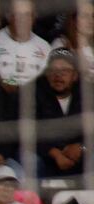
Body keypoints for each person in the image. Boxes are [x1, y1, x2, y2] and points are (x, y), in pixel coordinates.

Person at [32, 48, 85, 179]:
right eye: (53, 70)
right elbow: (29, 134)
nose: (58, 75)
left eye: (65, 71)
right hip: (46, 156)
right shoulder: (34, 92)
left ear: (75, 75)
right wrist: (55, 153)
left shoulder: (87, 94)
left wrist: (82, 147)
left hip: (80, 156)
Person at [0, 0, 50, 87]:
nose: (23, 20)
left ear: (34, 18)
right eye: (18, 15)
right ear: (9, 16)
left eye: (27, 15)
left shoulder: (44, 47)